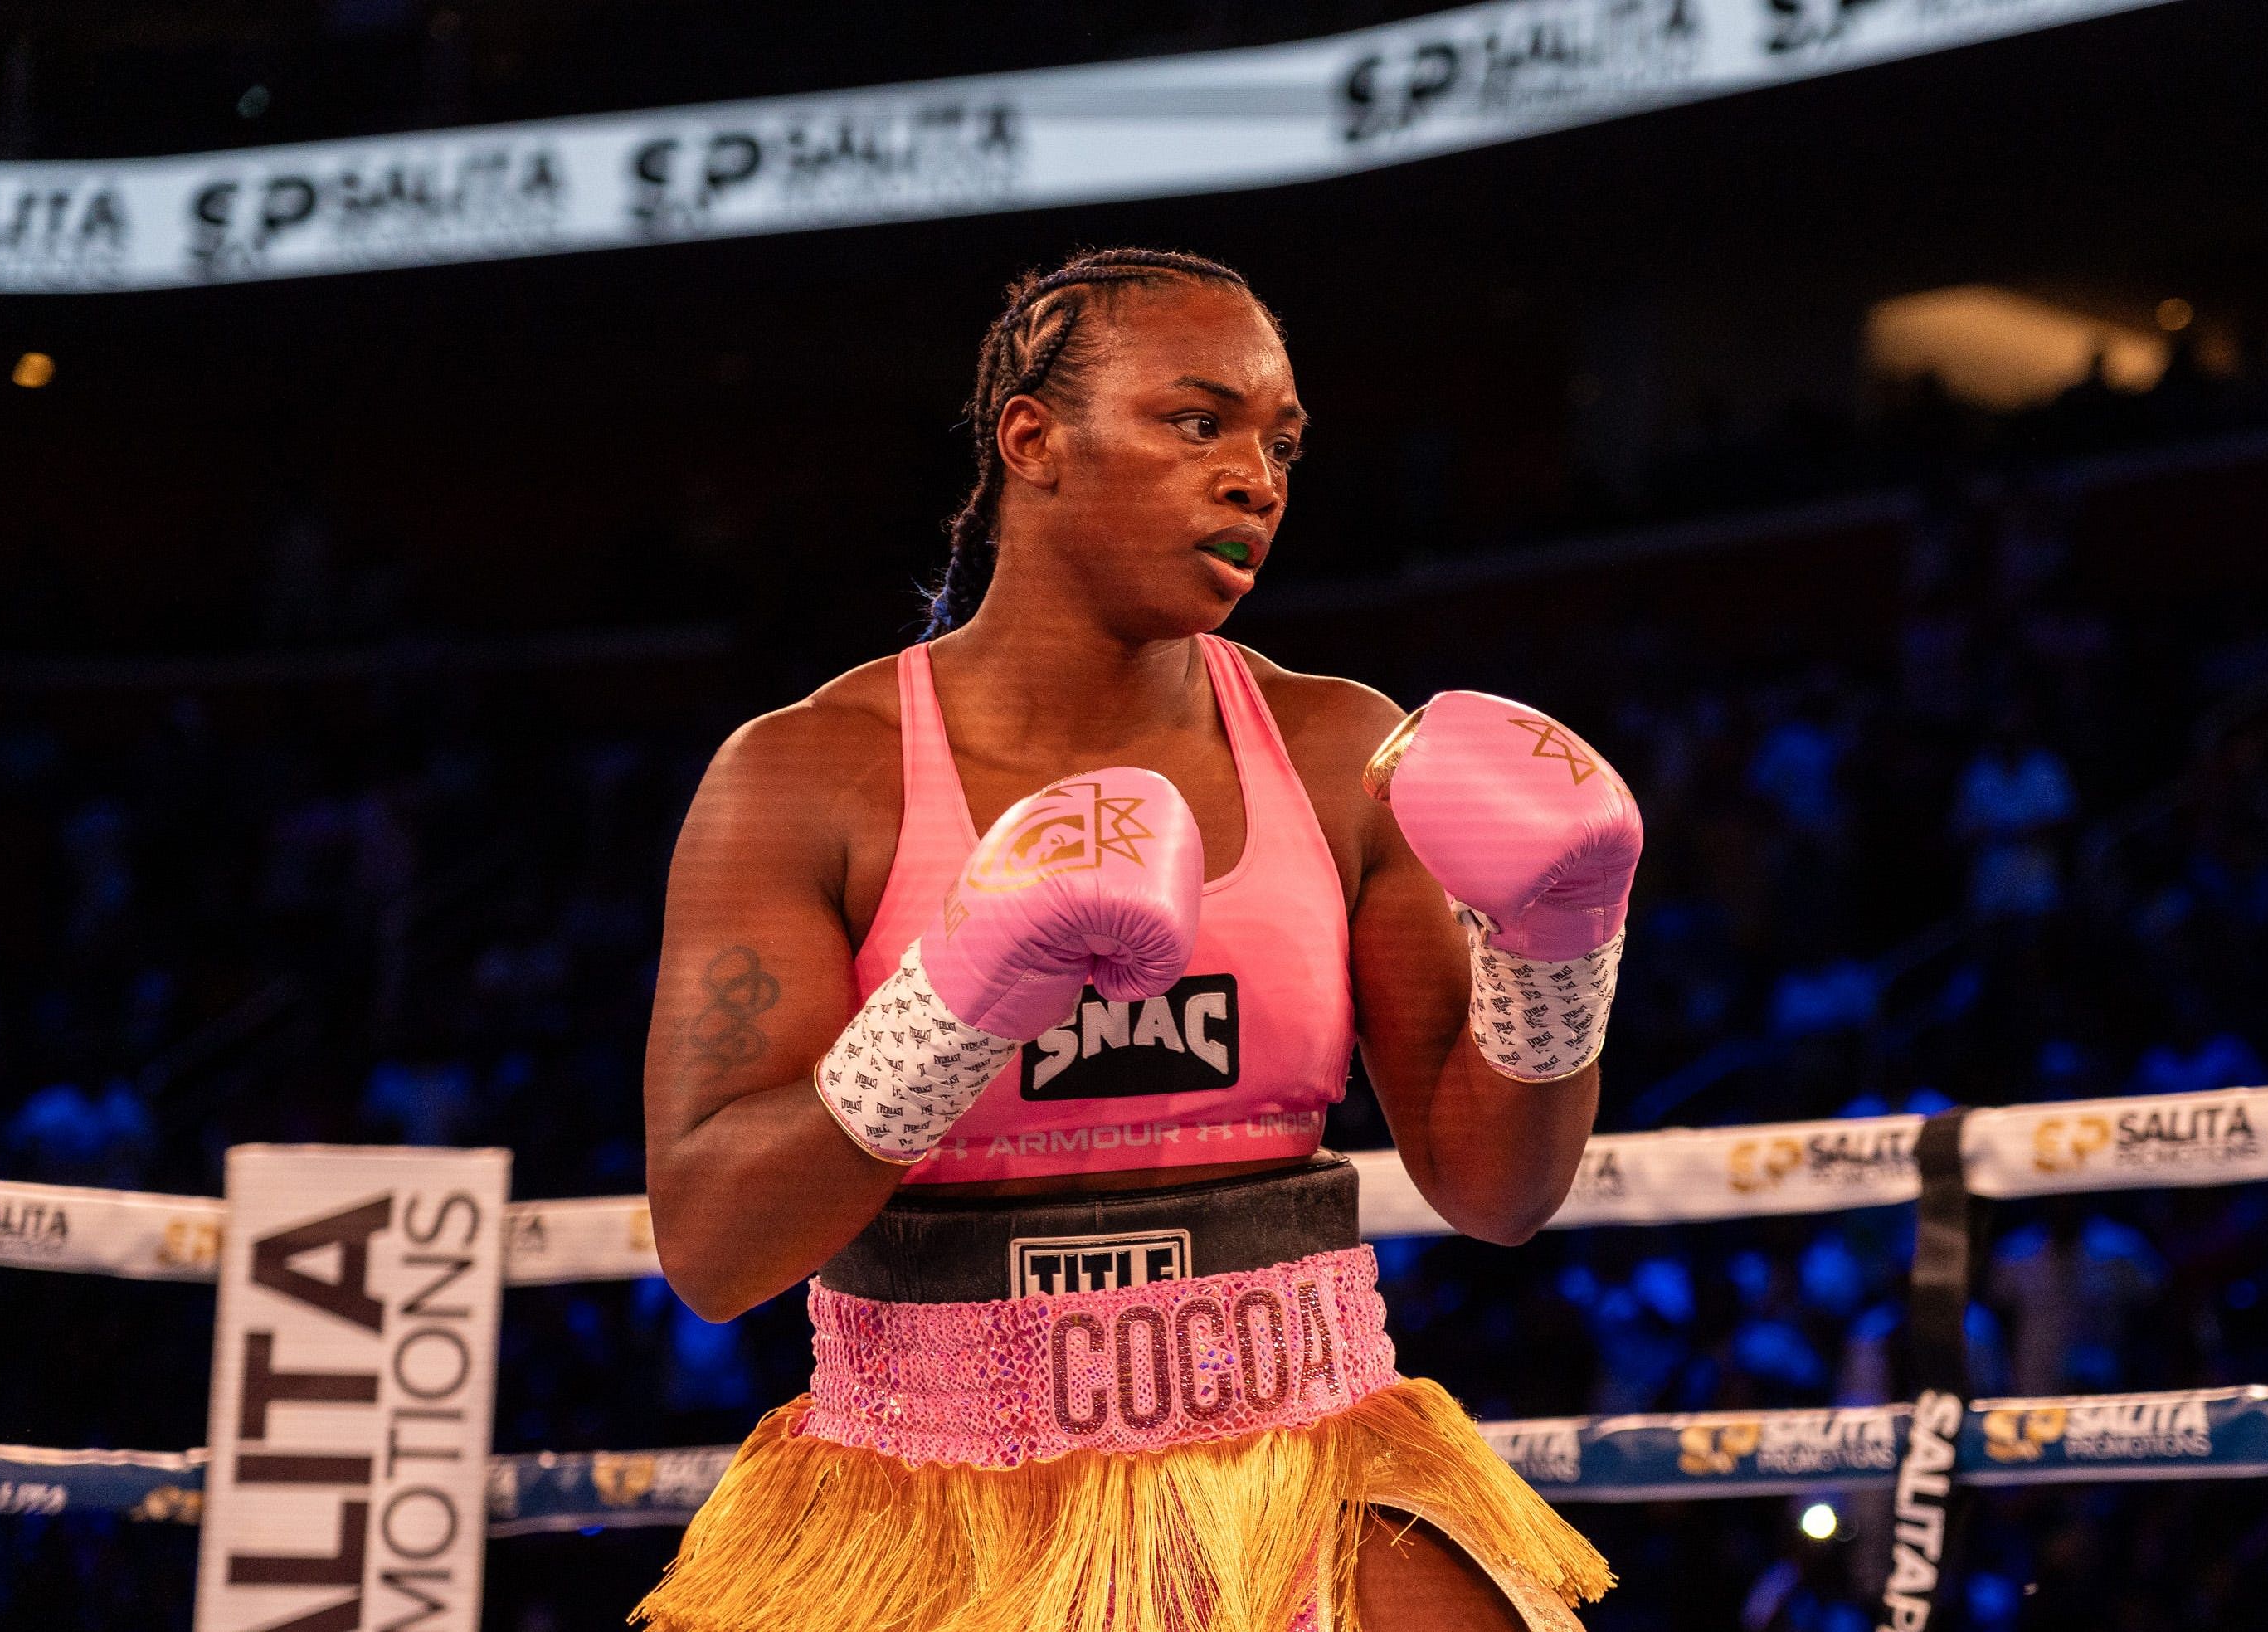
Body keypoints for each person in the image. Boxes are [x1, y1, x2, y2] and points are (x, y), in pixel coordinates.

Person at [634, 247, 1641, 1632]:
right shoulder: (810, 775)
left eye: (1281, 441)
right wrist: (960, 993)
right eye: (1198, 419)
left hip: (1311, 1457)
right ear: (1033, 441)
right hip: (928, 1495)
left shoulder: (1344, 748)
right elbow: (709, 1245)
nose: (1257, 477)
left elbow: (1496, 1186)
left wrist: (1559, 952)